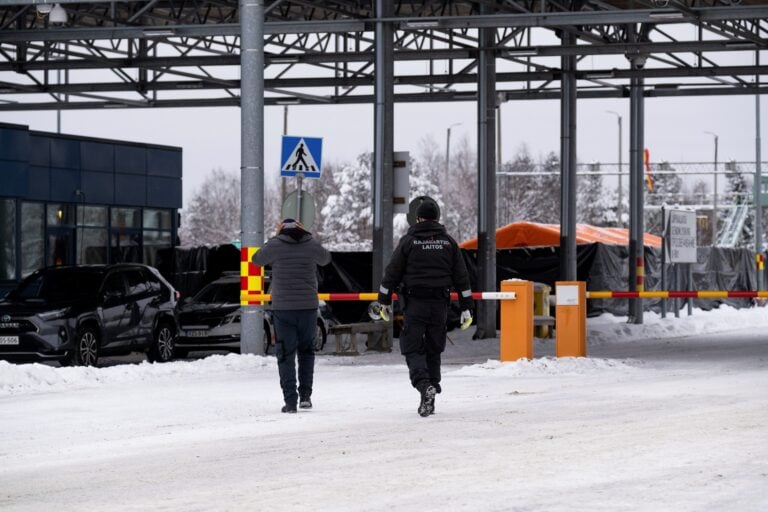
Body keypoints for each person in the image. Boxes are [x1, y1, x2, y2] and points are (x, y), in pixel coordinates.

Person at [377, 197, 474, 417]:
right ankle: (430, 391)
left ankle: (424, 386)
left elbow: (392, 273)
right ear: (437, 218)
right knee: (434, 347)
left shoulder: (408, 242)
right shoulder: (449, 242)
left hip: (415, 304)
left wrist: (383, 300)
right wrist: (467, 306)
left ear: (418, 218)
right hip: (439, 305)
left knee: (412, 347)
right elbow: (462, 277)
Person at [252, 218, 331, 414]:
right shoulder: (310, 243)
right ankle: (305, 396)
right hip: (308, 308)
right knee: (307, 352)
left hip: (284, 309)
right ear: (299, 229)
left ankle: (290, 402)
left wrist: (273, 239)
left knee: (285, 355)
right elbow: (326, 259)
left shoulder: (275, 244)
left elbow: (256, 260)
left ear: (281, 229)